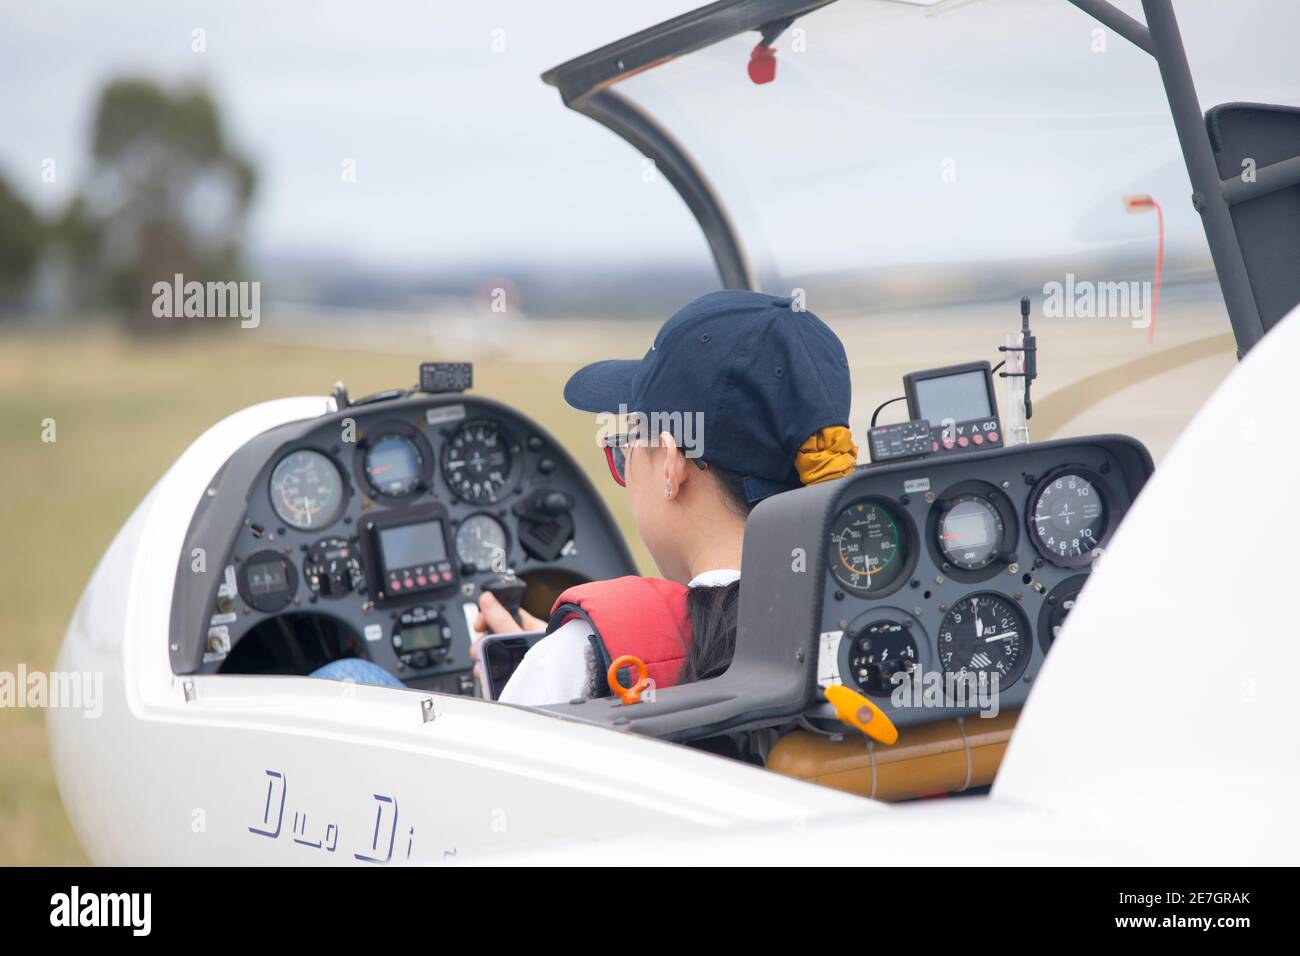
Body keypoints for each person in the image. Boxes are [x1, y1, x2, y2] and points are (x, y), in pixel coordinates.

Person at [472, 290, 858, 705]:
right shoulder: (876, 624)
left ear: (673, 463)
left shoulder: (576, 656)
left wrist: (542, 673)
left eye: (626, 446)